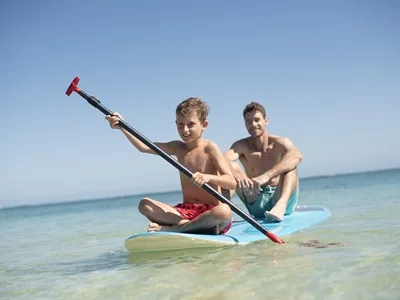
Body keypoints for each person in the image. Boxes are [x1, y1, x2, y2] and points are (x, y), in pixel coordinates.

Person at [106, 97, 236, 234]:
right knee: (144, 205)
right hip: (186, 212)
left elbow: (231, 182)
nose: (185, 130)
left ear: (204, 125)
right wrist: (122, 126)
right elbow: (145, 147)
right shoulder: (177, 147)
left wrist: (207, 177)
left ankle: (176, 229)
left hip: (210, 212)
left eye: (191, 124)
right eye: (180, 124)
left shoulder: (210, 148)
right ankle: (191, 227)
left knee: (224, 211)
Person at [223, 102, 302, 222]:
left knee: (291, 164)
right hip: (255, 197)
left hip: (280, 197)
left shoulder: (280, 142)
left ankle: (280, 206)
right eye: (248, 121)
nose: (253, 124)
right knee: (229, 166)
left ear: (266, 121)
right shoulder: (241, 146)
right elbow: (223, 159)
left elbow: (297, 156)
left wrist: (266, 176)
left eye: (256, 120)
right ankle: (224, 212)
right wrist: (240, 177)